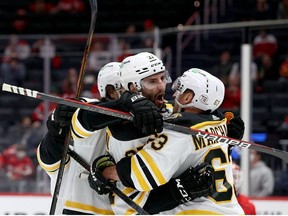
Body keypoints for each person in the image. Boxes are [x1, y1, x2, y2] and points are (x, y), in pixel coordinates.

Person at [38, 61, 214, 214]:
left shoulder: (150, 118)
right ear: (110, 92)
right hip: (79, 211)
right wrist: (55, 130)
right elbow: (49, 161)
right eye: (126, 91)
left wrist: (219, 125)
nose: (135, 97)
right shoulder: (89, 114)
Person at [88, 67, 245, 214]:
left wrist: (104, 172)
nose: (174, 94)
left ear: (188, 97)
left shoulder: (182, 131)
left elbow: (141, 175)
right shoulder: (221, 122)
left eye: (180, 90)